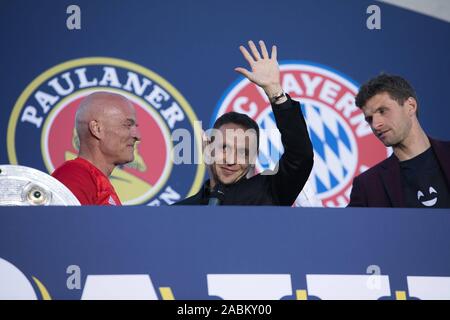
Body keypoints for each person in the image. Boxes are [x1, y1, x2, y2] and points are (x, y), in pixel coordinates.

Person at [175, 40, 314, 205]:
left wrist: (274, 91)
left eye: (243, 153)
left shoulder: (269, 192)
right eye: (223, 148)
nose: (231, 160)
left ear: (252, 159)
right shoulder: (179, 211)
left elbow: (300, 157)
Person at [348, 74, 450, 208]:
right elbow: (348, 227)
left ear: (411, 106)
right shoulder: (367, 186)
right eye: (370, 119)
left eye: (382, 111)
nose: (375, 124)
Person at [52, 92, 141, 205]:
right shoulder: (74, 176)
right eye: (127, 125)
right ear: (97, 129)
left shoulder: (93, 180)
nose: (138, 136)